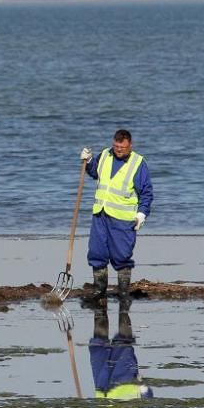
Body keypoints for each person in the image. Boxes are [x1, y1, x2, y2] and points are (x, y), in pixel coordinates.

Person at [80, 129, 153, 310]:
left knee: (121, 257)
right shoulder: (105, 155)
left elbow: (146, 193)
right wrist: (88, 161)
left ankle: (123, 294)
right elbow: (95, 172)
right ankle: (99, 292)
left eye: (122, 147)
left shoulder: (138, 163)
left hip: (123, 219)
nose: (118, 150)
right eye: (116, 146)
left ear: (130, 145)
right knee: (97, 254)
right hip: (100, 214)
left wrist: (142, 213)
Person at [89, 299, 153, 408]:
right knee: (115, 346)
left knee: (103, 346)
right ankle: (120, 300)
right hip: (116, 383)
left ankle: (104, 297)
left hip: (107, 387)